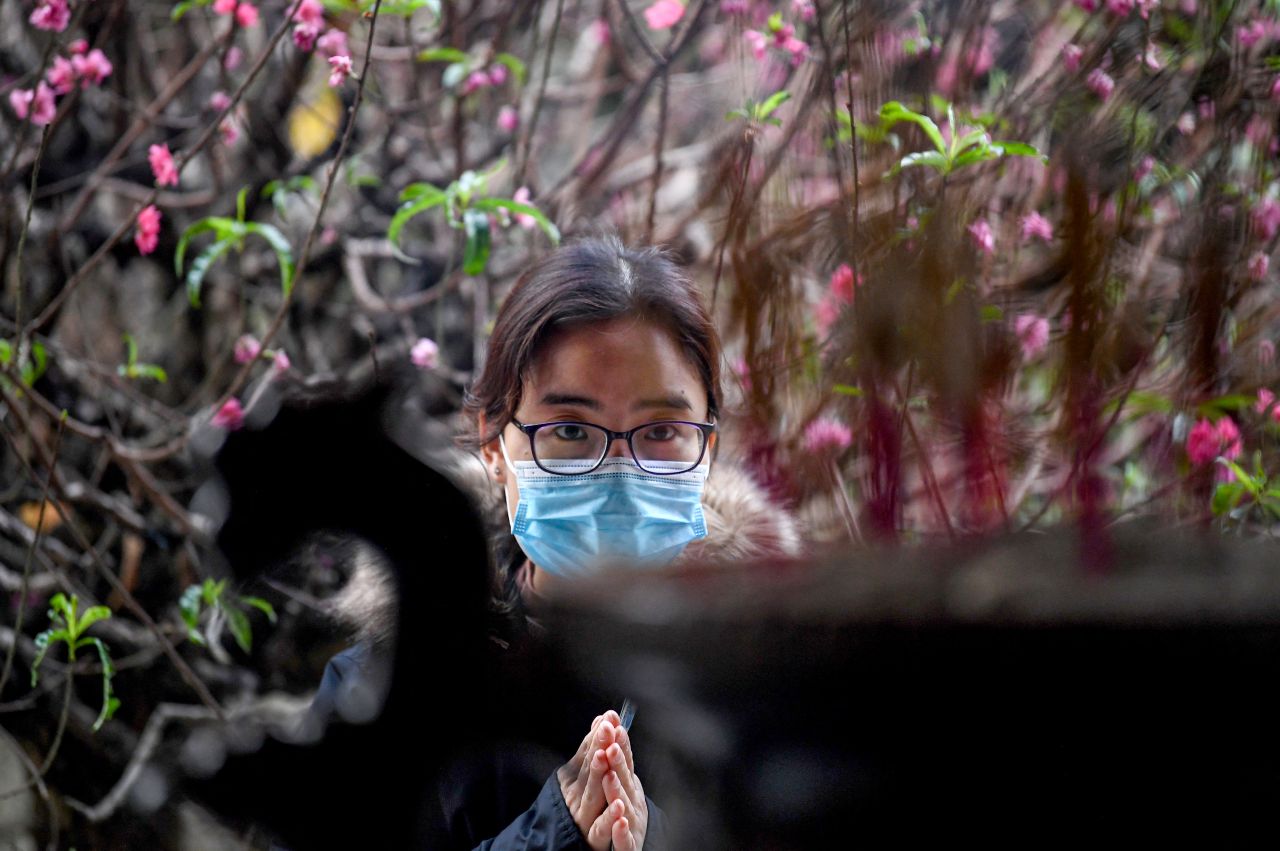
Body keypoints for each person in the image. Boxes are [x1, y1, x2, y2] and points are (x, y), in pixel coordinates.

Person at [314, 236, 802, 849]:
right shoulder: (385, 695)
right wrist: (550, 836)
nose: (618, 475)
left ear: (708, 447)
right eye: (570, 430)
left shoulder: (769, 698)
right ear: (495, 445)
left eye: (661, 430)